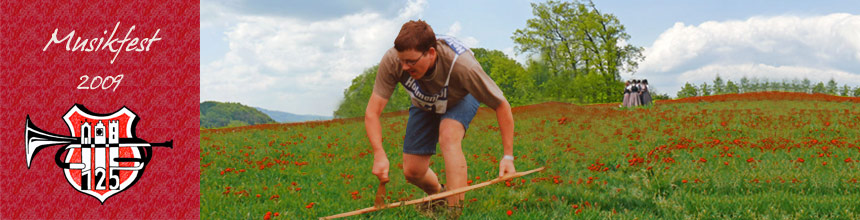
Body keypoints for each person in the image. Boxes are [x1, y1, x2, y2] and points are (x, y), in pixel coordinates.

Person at [365, 20, 517, 216]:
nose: (404, 67)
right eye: (402, 60)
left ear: (431, 53)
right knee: (413, 171)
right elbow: (372, 112)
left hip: (460, 97)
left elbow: (501, 104)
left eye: (411, 62)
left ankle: (453, 213)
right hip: (425, 102)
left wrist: (508, 157)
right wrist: (378, 153)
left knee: (448, 136)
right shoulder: (394, 61)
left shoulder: (463, 66)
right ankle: (439, 195)